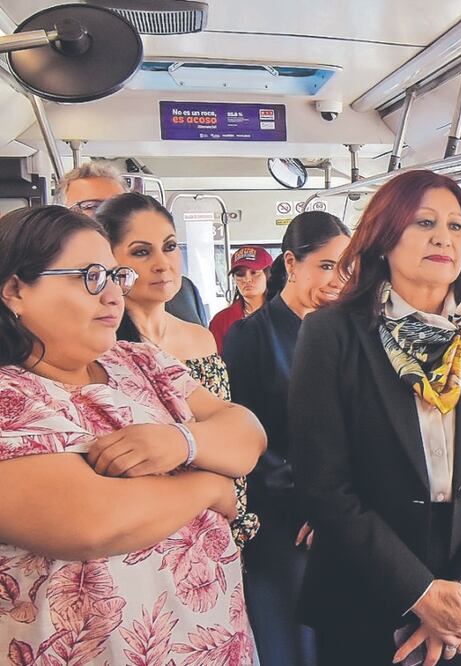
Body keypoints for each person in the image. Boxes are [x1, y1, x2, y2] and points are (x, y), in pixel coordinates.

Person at [288, 169, 461, 666]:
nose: (443, 236)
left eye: (456, 226)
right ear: (384, 238)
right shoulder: (331, 334)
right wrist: (420, 592)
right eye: (424, 223)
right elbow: (323, 485)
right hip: (365, 583)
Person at [0, 205, 267, 663]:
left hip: (215, 644)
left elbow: (247, 433)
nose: (112, 296)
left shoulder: (139, 361)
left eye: (113, 276)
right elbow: (90, 521)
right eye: (89, 277)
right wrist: (209, 483)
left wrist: (178, 443)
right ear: (15, 290)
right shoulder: (13, 393)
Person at [221, 210, 351, 666]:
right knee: (291, 643)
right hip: (282, 517)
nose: (339, 280)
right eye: (328, 266)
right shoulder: (249, 337)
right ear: (292, 264)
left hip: (343, 514)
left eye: (348, 267)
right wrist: (314, 502)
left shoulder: (348, 334)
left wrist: (338, 504)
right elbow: (246, 437)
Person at [97, 192, 260, 550]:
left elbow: (235, 435)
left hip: (220, 521)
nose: (162, 263)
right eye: (141, 252)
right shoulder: (102, 351)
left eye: (170, 247)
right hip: (146, 529)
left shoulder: (201, 338)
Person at [59, 162, 208, 325]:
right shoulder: (61, 294)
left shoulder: (183, 292)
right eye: (92, 206)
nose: (109, 216)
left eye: (119, 207)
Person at [210, 246, 273, 352]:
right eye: (240, 274)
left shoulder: (286, 314)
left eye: (254, 272)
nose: (247, 279)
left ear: (268, 275)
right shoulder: (221, 321)